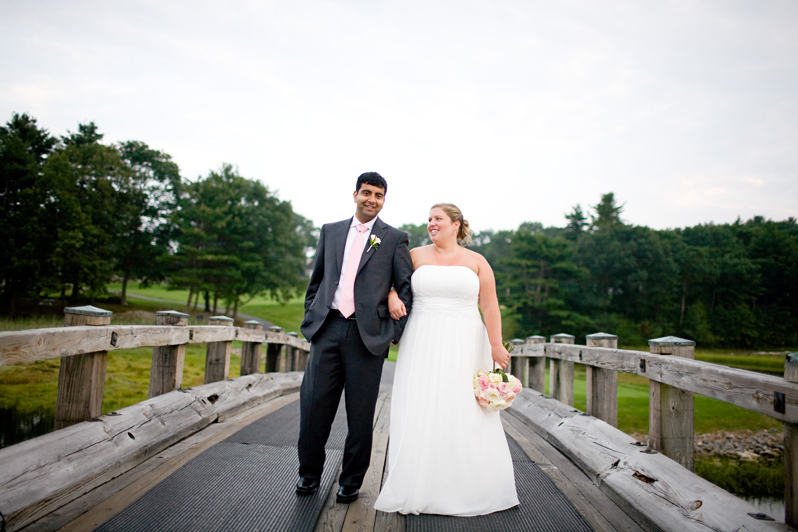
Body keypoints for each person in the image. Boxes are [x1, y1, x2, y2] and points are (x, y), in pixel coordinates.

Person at [373, 203, 520, 516]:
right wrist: (392, 296)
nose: (431, 224)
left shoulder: (478, 262)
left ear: (456, 225)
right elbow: (389, 283)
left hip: (467, 342)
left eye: (437, 219)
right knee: (422, 403)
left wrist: (496, 345)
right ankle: (420, 484)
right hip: (422, 338)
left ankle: (469, 486)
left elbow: (491, 307)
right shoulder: (415, 256)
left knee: (463, 408)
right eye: (429, 219)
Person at [296, 172, 413, 504]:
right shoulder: (330, 231)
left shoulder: (393, 238)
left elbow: (406, 289)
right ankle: (308, 473)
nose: (372, 199)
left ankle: (351, 480)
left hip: (368, 337)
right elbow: (316, 281)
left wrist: (391, 334)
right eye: (367, 193)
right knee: (314, 406)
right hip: (328, 328)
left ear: (384, 200)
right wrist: (312, 316)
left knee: (361, 415)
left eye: (378, 195)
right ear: (355, 194)